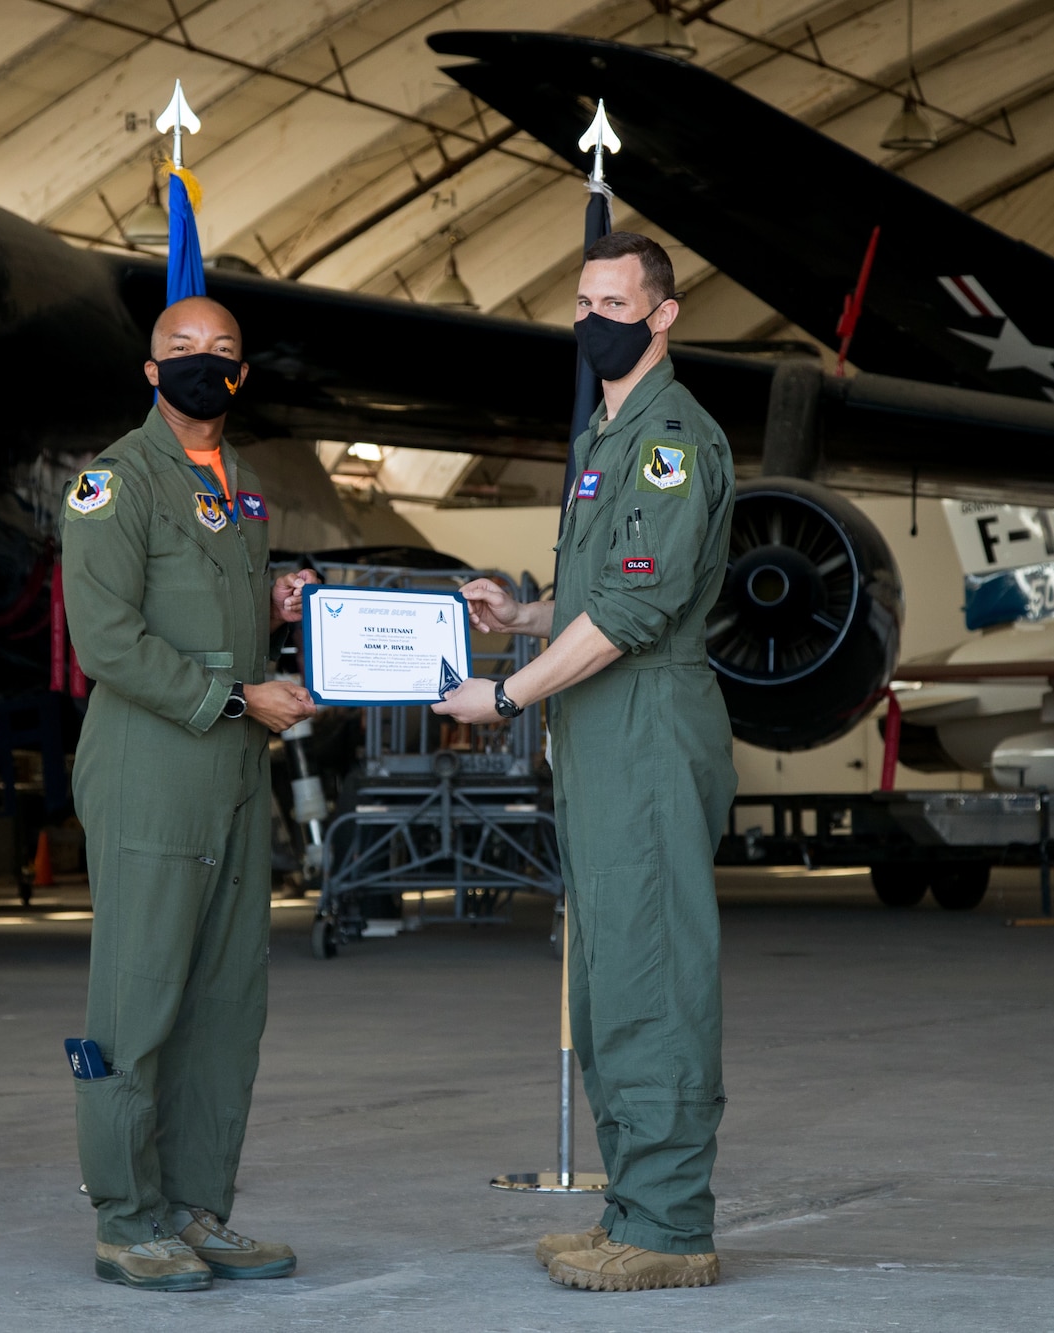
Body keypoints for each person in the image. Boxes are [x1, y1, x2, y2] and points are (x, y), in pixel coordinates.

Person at [433, 232, 737, 1292]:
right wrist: (520, 615)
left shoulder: (669, 441)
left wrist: (505, 692)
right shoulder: (607, 437)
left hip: (647, 729)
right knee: (608, 978)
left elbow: (632, 611)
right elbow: (591, 597)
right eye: (580, 301)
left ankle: (670, 1228)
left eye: (614, 302)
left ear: (662, 315)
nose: (592, 319)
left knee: (649, 975)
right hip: (603, 734)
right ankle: (633, 1208)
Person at [58, 295, 318, 1293]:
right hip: (152, 761)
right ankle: (126, 1216)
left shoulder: (242, 485)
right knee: (138, 996)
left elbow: (209, 605)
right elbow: (108, 640)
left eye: (222, 352)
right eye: (183, 350)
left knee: (223, 1001)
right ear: (149, 368)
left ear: (241, 374)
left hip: (233, 768)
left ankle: (195, 1206)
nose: (203, 364)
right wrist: (229, 695)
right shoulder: (114, 482)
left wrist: (273, 607)